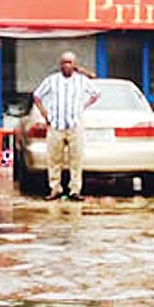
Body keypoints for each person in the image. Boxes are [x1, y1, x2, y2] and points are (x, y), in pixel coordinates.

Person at [32, 51, 99, 201]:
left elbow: (96, 93)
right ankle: (55, 189)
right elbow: (37, 95)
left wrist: (83, 106)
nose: (67, 65)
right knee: (54, 160)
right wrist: (45, 115)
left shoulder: (81, 80)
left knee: (76, 160)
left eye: (70, 62)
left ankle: (74, 190)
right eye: (64, 62)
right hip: (56, 126)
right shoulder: (52, 80)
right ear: (60, 64)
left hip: (75, 125)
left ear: (75, 64)